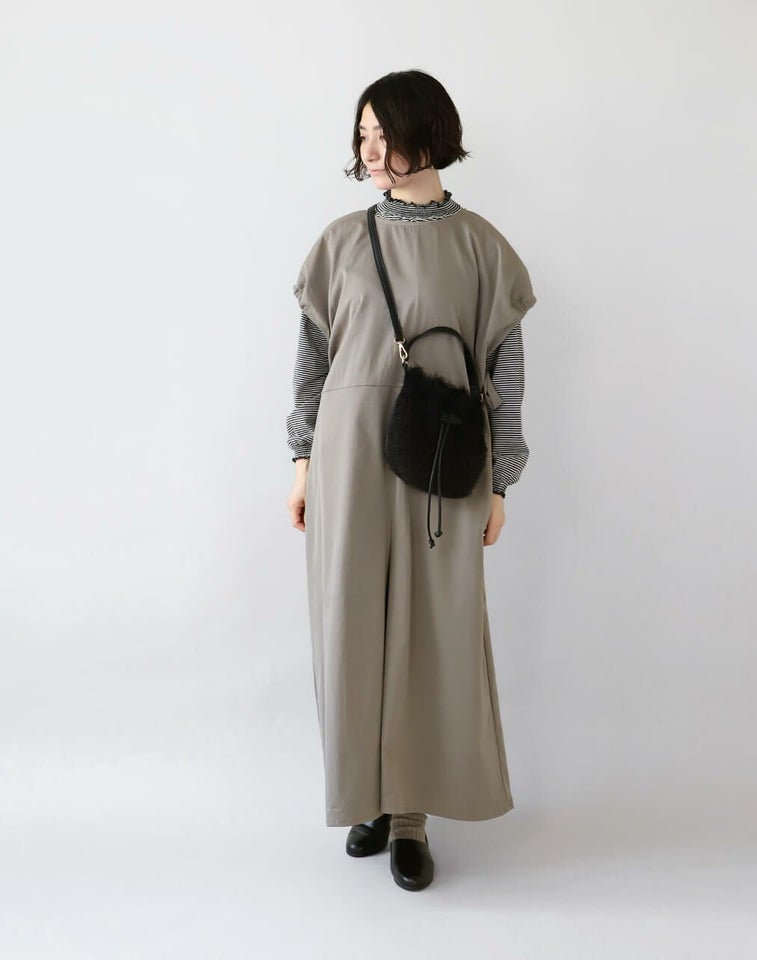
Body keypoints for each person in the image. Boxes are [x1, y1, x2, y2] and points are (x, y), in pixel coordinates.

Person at [285, 69, 537, 892]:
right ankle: (367, 797)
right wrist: (302, 462)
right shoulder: (339, 242)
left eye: (384, 132)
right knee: (351, 625)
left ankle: (412, 816)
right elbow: (312, 364)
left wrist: (501, 480)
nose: (371, 149)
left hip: (441, 468)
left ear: (429, 132)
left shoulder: (481, 247)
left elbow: (504, 373)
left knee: (433, 630)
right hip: (348, 460)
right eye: (362, 134)